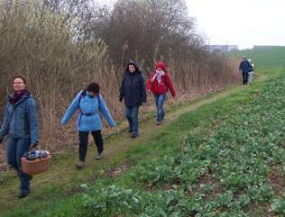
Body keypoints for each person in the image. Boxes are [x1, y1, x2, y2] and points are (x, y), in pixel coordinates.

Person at [0, 76, 39, 198]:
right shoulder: (10, 100)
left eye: (19, 82)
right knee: (11, 160)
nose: (17, 84)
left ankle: (24, 187)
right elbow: (6, 120)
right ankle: (26, 175)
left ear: (24, 85)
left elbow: (33, 122)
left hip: (24, 136)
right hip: (12, 135)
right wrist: (1, 135)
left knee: (20, 160)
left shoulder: (29, 101)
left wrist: (34, 139)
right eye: (15, 83)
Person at [61, 82, 115, 169]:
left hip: (95, 121)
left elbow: (105, 110)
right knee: (83, 142)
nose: (93, 94)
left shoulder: (98, 97)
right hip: (83, 122)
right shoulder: (81, 96)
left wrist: (111, 122)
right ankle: (81, 161)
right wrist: (64, 120)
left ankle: (100, 152)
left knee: (98, 138)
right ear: (89, 91)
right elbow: (72, 108)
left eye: (95, 93)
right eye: (92, 92)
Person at [119, 62, 147, 138]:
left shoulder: (139, 76)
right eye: (130, 67)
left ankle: (135, 132)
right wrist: (121, 96)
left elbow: (143, 89)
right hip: (128, 99)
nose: (131, 68)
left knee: (134, 116)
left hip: (136, 100)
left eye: (132, 67)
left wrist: (143, 99)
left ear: (135, 68)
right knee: (128, 115)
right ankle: (131, 127)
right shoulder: (126, 76)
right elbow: (123, 87)